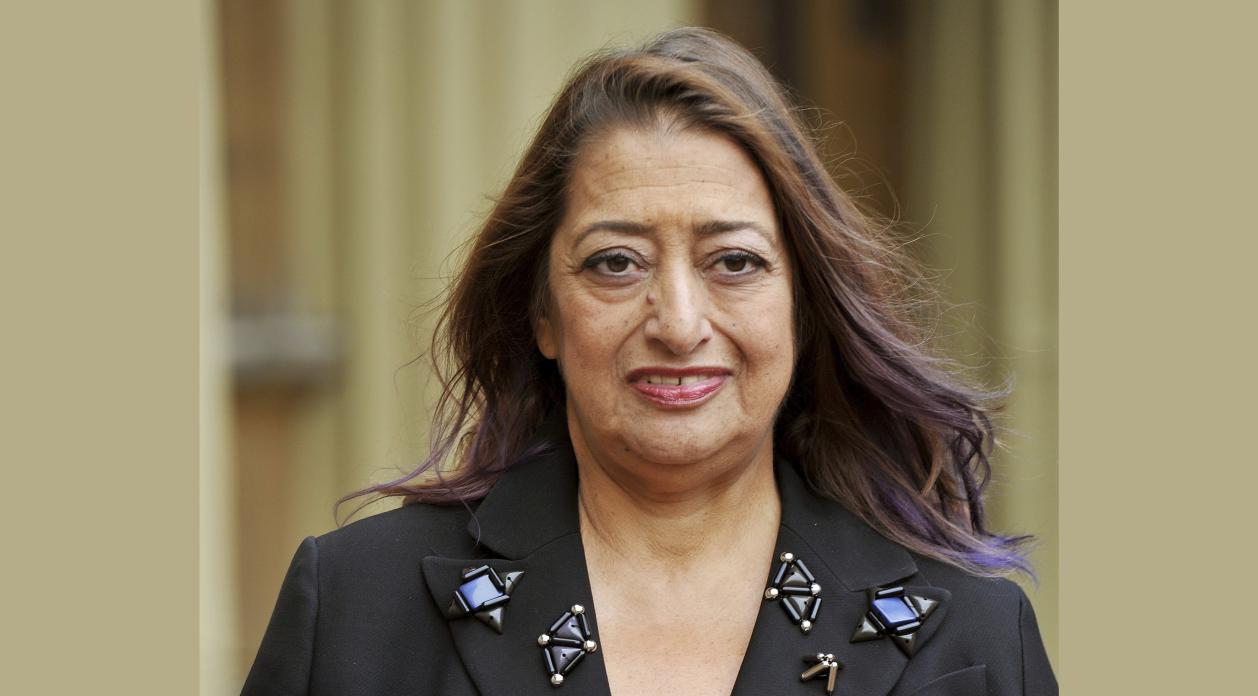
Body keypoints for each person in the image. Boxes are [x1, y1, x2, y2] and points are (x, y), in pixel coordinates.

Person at [242, 27, 1056, 696]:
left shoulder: (974, 636)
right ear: (541, 313)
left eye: (733, 262)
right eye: (615, 263)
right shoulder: (357, 605)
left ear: (803, 308)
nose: (678, 323)